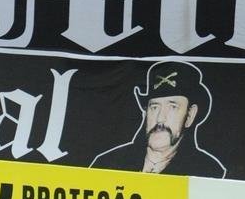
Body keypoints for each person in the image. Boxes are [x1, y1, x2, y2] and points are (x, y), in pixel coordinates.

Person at [91, 60, 225, 177]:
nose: (160, 119)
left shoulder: (208, 172)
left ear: (190, 115)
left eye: (173, 107)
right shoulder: (106, 164)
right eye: (154, 107)